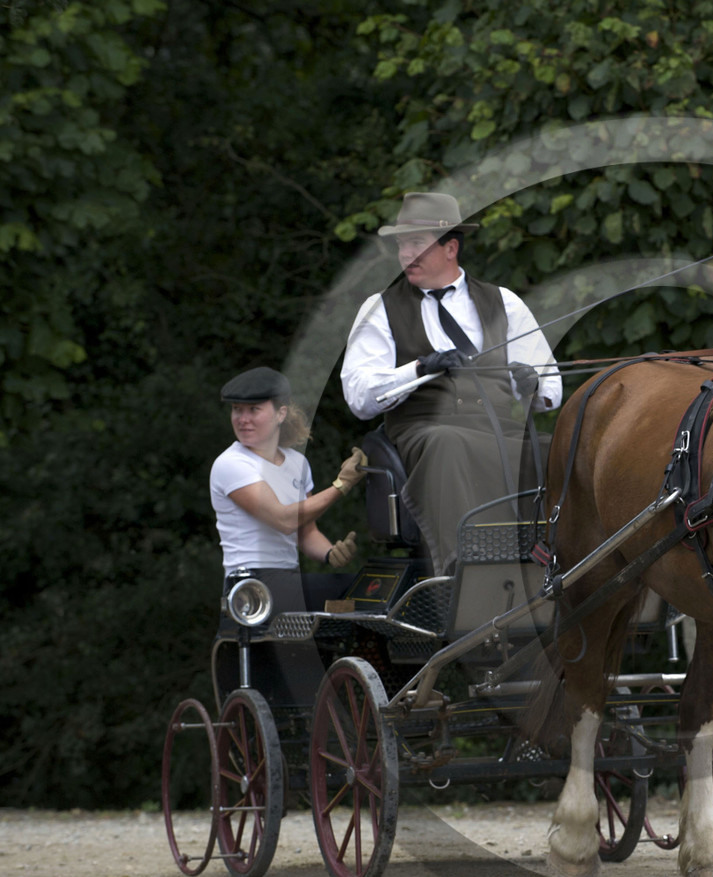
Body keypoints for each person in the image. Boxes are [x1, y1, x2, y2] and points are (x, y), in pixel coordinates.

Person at [341, 192, 562, 573]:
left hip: (500, 433)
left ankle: (569, 562)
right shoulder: (380, 309)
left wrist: (529, 384)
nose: (407, 254)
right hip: (425, 431)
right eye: (402, 245)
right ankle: (465, 569)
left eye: (417, 244)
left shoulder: (504, 302)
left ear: (451, 247)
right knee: (448, 442)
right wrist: (418, 369)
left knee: (560, 450)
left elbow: (551, 387)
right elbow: (359, 395)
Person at [210, 366, 367, 613]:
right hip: (250, 584)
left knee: (366, 590)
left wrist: (330, 553)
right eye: (237, 410)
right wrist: (342, 485)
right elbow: (284, 520)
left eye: (254, 410)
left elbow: (305, 533)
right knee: (356, 593)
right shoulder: (231, 463)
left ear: (280, 414)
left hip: (287, 581)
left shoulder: (297, 462)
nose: (243, 419)